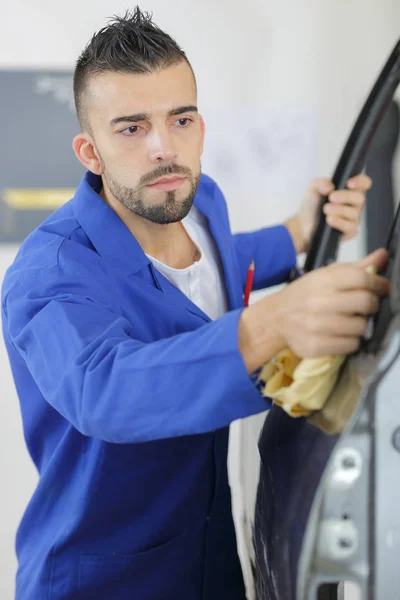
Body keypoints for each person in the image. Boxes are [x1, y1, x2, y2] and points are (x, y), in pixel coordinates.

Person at [1, 7, 389, 600]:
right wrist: (272, 324)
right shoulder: (49, 275)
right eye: (131, 128)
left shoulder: (200, 201)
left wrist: (298, 231)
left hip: (212, 557)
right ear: (90, 150)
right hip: (104, 580)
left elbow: (215, 261)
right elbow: (103, 388)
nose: (164, 149)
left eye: (181, 118)